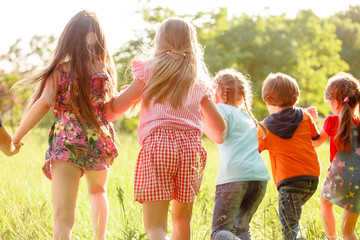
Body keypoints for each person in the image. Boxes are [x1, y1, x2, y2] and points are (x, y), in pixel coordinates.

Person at [111, 17, 226, 240]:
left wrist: (133, 95)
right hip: (191, 149)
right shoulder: (199, 79)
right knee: (182, 220)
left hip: (158, 146)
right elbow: (220, 128)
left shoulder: (148, 70)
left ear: (160, 41)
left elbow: (115, 108)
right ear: (191, 44)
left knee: (156, 228)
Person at [12, 10, 119, 240]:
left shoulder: (60, 71)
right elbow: (110, 109)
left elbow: (42, 105)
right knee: (98, 191)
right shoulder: (104, 70)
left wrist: (16, 137)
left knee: (63, 216)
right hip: (97, 140)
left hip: (67, 142)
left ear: (68, 39)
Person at [203, 69, 270, 240]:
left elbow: (220, 136)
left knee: (219, 231)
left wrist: (200, 122)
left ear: (216, 91)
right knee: (241, 230)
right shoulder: (247, 117)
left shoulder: (221, 109)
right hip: (258, 179)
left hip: (234, 179)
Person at [257, 72, 321, 240]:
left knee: (290, 229)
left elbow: (251, 150)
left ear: (267, 99)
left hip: (289, 183)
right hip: (312, 180)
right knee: (293, 223)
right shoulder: (305, 116)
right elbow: (315, 137)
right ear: (296, 96)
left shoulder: (264, 128)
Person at [312, 72, 360, 240]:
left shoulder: (332, 122)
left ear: (334, 102)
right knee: (348, 231)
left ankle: (331, 237)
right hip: (359, 181)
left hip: (338, 177)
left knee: (325, 202)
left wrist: (311, 121)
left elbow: (316, 143)